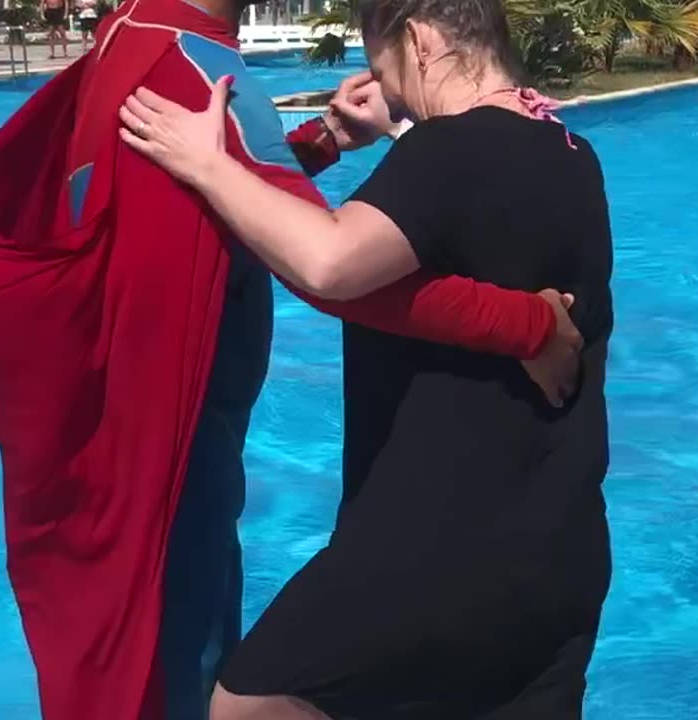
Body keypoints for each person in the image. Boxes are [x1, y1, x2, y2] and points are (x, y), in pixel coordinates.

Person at [0, 0, 582, 717]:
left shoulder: (131, 35)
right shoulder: (206, 80)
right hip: (178, 447)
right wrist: (525, 323)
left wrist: (322, 141)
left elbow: (206, 209)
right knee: (184, 678)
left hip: (114, 417)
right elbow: (327, 266)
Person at [119, 0, 615, 714]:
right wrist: (335, 139)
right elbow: (462, 231)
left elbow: (327, 263)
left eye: (382, 65)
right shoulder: (568, 151)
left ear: (418, 40)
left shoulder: (445, 153)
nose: (388, 88)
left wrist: (205, 164)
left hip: (435, 550)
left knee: (249, 702)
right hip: (560, 547)